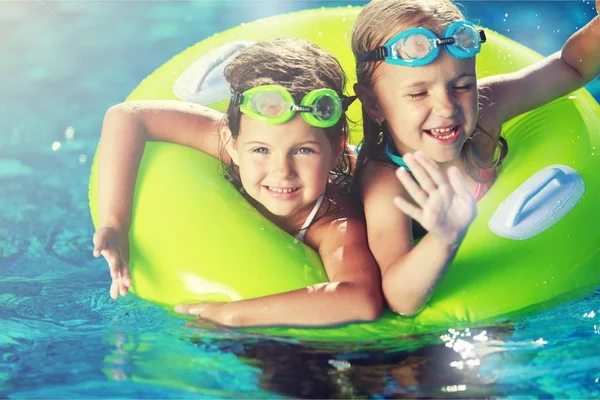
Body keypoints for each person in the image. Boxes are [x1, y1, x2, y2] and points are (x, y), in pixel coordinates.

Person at [92, 38, 383, 328]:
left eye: (303, 150)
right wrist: (115, 224)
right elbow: (126, 116)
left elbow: (361, 300)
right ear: (232, 144)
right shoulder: (234, 143)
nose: (281, 170)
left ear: (336, 149)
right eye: (261, 150)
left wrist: (229, 314)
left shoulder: (334, 222)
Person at [350, 0, 600, 316]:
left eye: (463, 85)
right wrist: (443, 238)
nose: (447, 108)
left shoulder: (487, 110)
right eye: (418, 94)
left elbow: (570, 67)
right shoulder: (387, 183)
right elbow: (400, 298)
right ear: (374, 104)